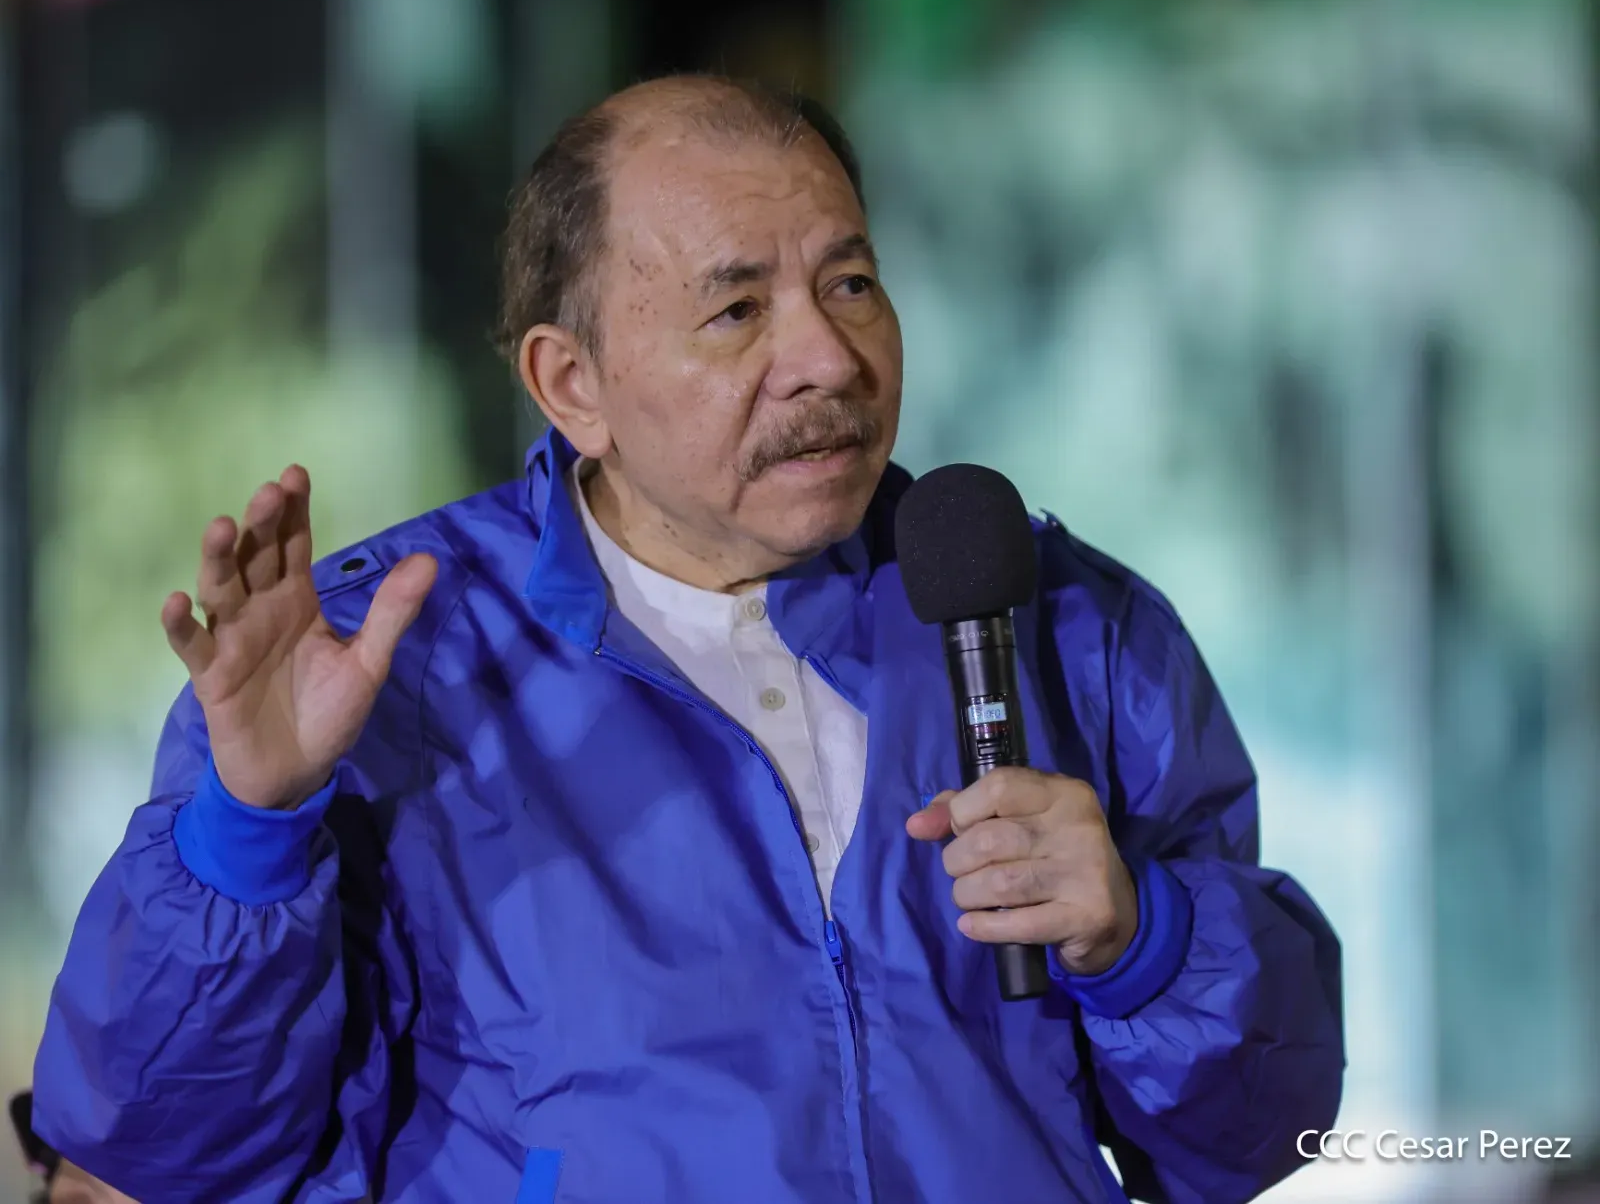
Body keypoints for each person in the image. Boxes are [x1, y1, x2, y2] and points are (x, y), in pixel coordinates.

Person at [30, 75, 1343, 1202]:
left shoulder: (1063, 624)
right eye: (737, 311)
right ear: (571, 383)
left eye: (853, 281)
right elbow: (163, 1152)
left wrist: (1149, 943)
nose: (828, 355)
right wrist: (251, 828)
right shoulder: (392, 661)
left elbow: (1258, 1134)